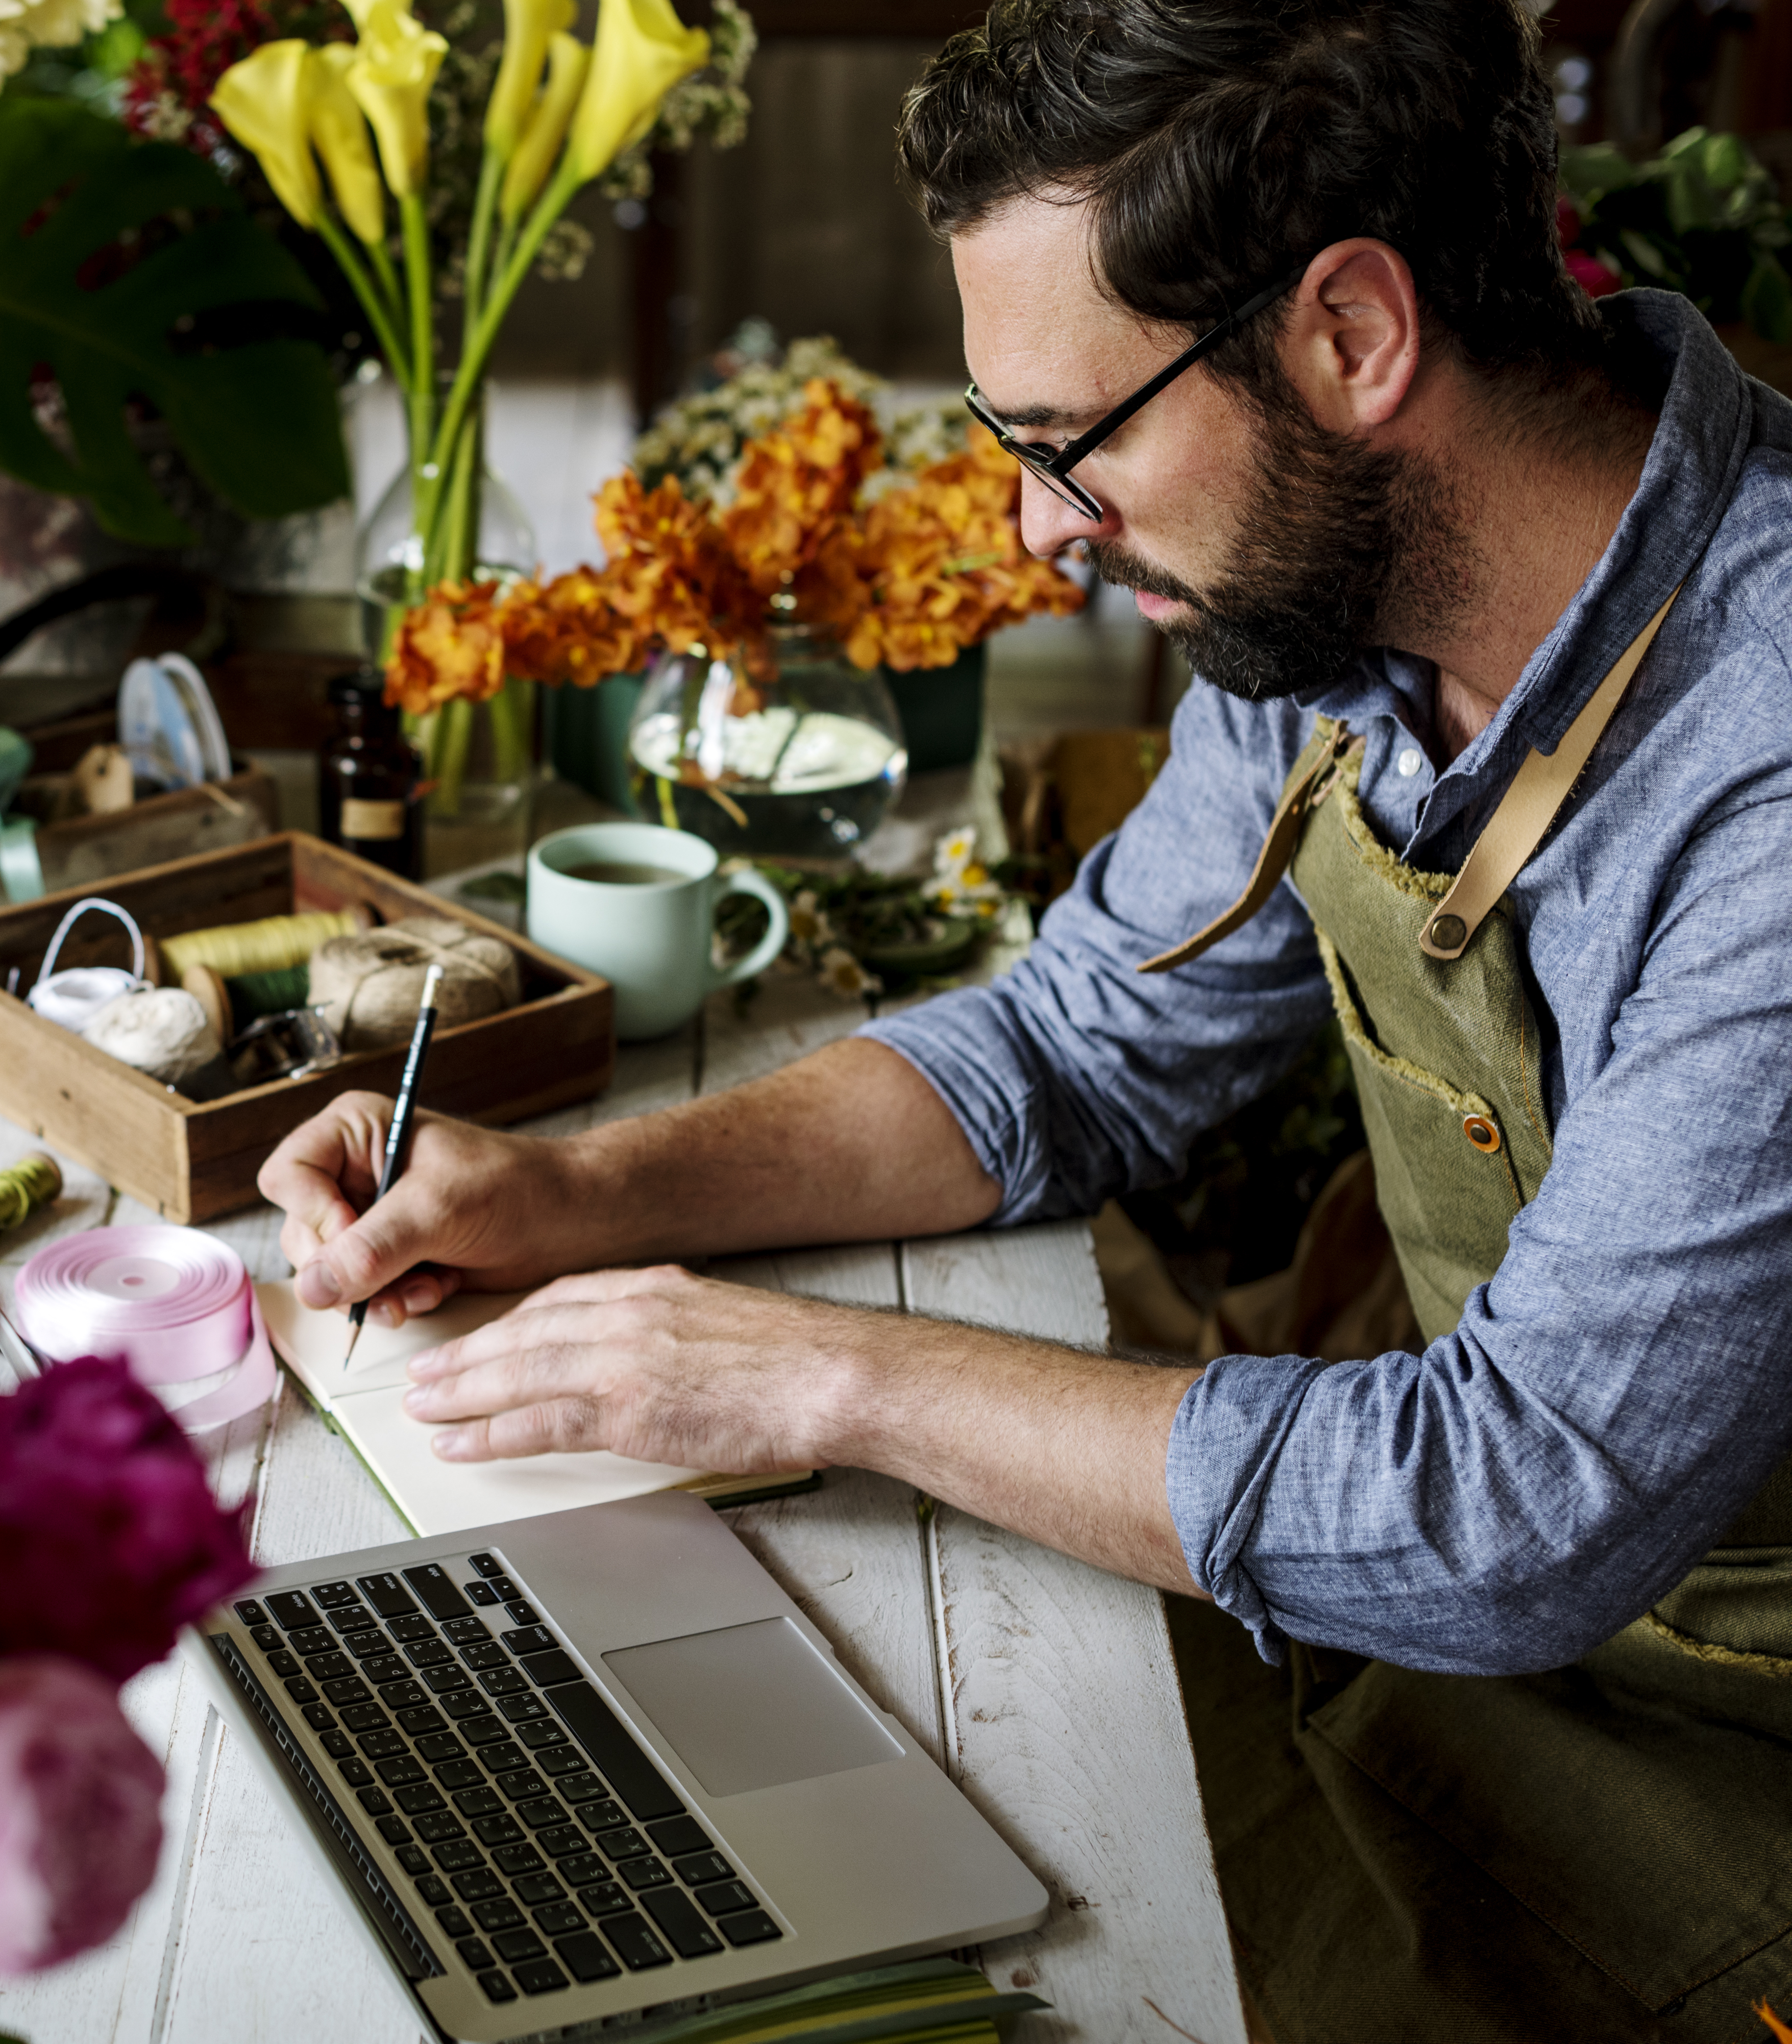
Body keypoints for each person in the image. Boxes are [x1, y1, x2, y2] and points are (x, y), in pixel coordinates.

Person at [257, 1, 1792, 2034]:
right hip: (1447, 1643)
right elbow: (1076, 1041)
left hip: (1725, 1766)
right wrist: (582, 1192)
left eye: (1071, 448)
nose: (1040, 535)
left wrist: (820, 1379)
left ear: (1351, 337)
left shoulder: (1762, 772)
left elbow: (1509, 1505)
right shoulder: (1326, 599)